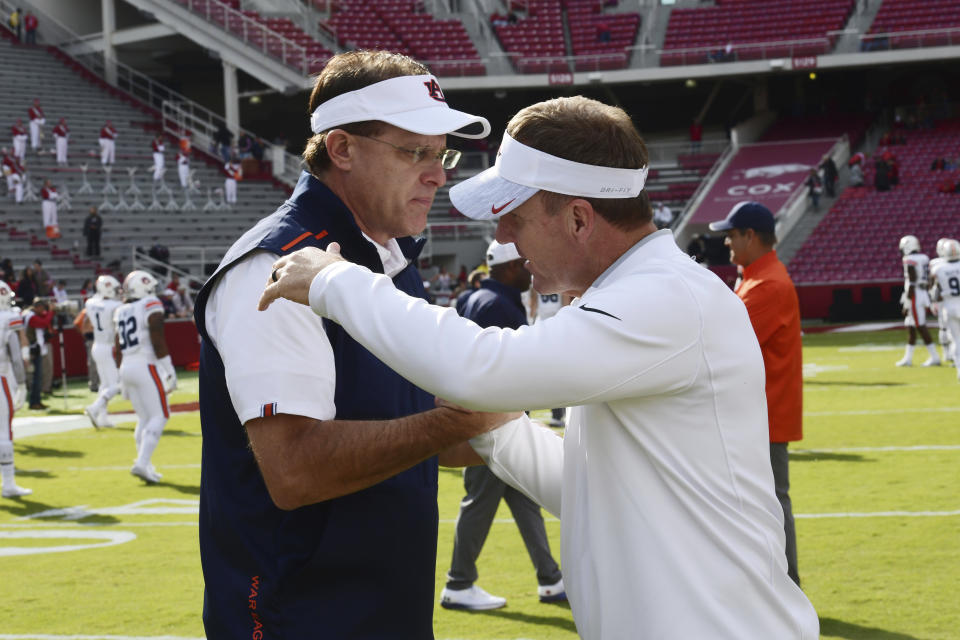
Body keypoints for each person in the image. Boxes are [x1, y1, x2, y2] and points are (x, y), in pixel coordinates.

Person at [260, 95, 819, 639]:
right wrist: (494, 430)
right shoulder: (649, 292)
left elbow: (482, 367)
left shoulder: (664, 299)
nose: (500, 237)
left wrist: (335, 282)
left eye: (515, 218)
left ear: (579, 218)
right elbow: (591, 486)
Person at [192, 50, 499, 638]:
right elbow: (295, 470)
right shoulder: (274, 266)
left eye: (442, 154)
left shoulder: (388, 255)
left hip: (384, 606)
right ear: (342, 149)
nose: (438, 175)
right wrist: (454, 424)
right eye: (415, 152)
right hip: (298, 616)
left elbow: (412, 432)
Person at [440, 240, 565, 611]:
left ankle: (550, 578)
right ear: (509, 267)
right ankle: (458, 584)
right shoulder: (497, 305)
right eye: (524, 263)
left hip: (496, 420)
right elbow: (504, 369)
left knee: (526, 500)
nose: (530, 268)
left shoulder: (476, 298)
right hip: (493, 423)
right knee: (479, 502)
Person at [708, 201, 804, 585]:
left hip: (763, 417)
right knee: (760, 504)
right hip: (759, 414)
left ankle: (786, 584)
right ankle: (777, 584)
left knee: (770, 505)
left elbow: (717, 342)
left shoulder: (767, 285)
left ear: (750, 236)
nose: (727, 242)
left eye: (731, 235)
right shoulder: (757, 278)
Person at [115, 270, 176, 483]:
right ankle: (141, 463)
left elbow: (117, 346)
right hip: (145, 363)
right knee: (160, 416)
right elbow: (156, 335)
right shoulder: (149, 304)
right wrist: (168, 367)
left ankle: (146, 465)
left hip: (127, 364)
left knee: (143, 418)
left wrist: (119, 375)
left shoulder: (122, 310)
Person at [0, 280, 30, 498]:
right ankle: (8, 483)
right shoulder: (7, 318)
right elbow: (16, 356)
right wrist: (21, 383)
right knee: (4, 432)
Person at [527, 288, 572, 428]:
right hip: (556, 327)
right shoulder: (558, 279)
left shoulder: (535, 280)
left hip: (541, 328)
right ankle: (557, 414)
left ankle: (525, 413)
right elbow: (565, 305)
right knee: (556, 374)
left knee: (533, 373)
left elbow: (533, 307)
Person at [83, 275, 123, 428]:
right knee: (117, 384)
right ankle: (94, 407)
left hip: (96, 345)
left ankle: (103, 417)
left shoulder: (90, 302)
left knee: (105, 383)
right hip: (109, 346)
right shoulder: (115, 306)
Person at [896, 234, 940, 367]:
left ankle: (934, 357)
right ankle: (908, 358)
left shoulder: (909, 259)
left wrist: (908, 301)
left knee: (920, 326)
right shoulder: (924, 258)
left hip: (915, 294)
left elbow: (912, 279)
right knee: (911, 326)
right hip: (922, 292)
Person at [930, 238, 960, 381]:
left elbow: (936, 290)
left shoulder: (938, 268)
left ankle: (959, 369)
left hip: (949, 306)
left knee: (956, 340)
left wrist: (935, 303)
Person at [22, 297, 51, 410]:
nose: (44, 310)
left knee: (35, 376)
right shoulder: (31, 316)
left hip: (29, 347)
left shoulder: (27, 313)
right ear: (37, 307)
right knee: (37, 376)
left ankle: (36, 400)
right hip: (32, 348)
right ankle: (34, 402)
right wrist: (51, 312)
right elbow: (43, 323)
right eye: (43, 308)